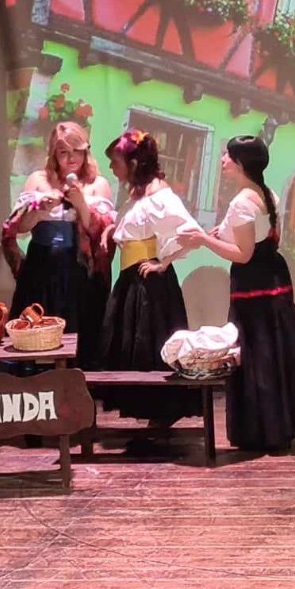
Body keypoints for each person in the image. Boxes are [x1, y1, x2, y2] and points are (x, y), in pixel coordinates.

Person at [178, 135, 295, 455]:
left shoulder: (242, 202)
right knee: (273, 352)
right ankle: (280, 426)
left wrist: (204, 239)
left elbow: (243, 254)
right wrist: (222, 233)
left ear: (240, 163)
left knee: (258, 354)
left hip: (254, 284)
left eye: (227, 156)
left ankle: (263, 430)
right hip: (273, 277)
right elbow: (261, 238)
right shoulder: (266, 193)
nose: (223, 160)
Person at [97, 129, 202, 427]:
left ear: (133, 163)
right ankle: (146, 411)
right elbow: (132, 224)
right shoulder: (137, 192)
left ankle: (161, 412)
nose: (111, 167)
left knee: (149, 346)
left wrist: (163, 262)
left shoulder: (160, 195)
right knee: (131, 345)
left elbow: (191, 233)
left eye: (116, 162)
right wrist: (111, 231)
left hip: (148, 284)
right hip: (131, 280)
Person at [0, 121, 115, 367]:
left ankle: (74, 385)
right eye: (64, 152)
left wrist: (81, 204)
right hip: (40, 266)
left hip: (78, 269)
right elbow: (19, 227)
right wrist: (39, 211)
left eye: (77, 151)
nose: (71, 158)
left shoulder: (98, 184)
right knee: (32, 328)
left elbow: (101, 233)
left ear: (86, 152)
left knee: (77, 331)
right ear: (54, 154)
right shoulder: (37, 180)